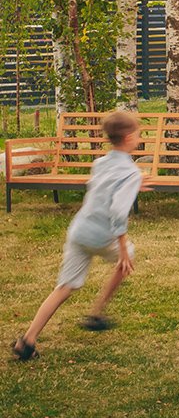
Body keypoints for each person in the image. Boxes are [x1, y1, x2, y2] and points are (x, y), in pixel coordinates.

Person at [11, 111, 149, 361]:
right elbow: (118, 211)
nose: (139, 136)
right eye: (138, 133)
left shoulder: (100, 163)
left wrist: (133, 185)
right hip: (103, 236)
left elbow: (102, 188)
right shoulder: (131, 173)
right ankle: (96, 312)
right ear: (129, 137)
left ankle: (27, 340)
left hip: (79, 230)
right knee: (128, 255)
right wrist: (121, 246)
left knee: (64, 287)